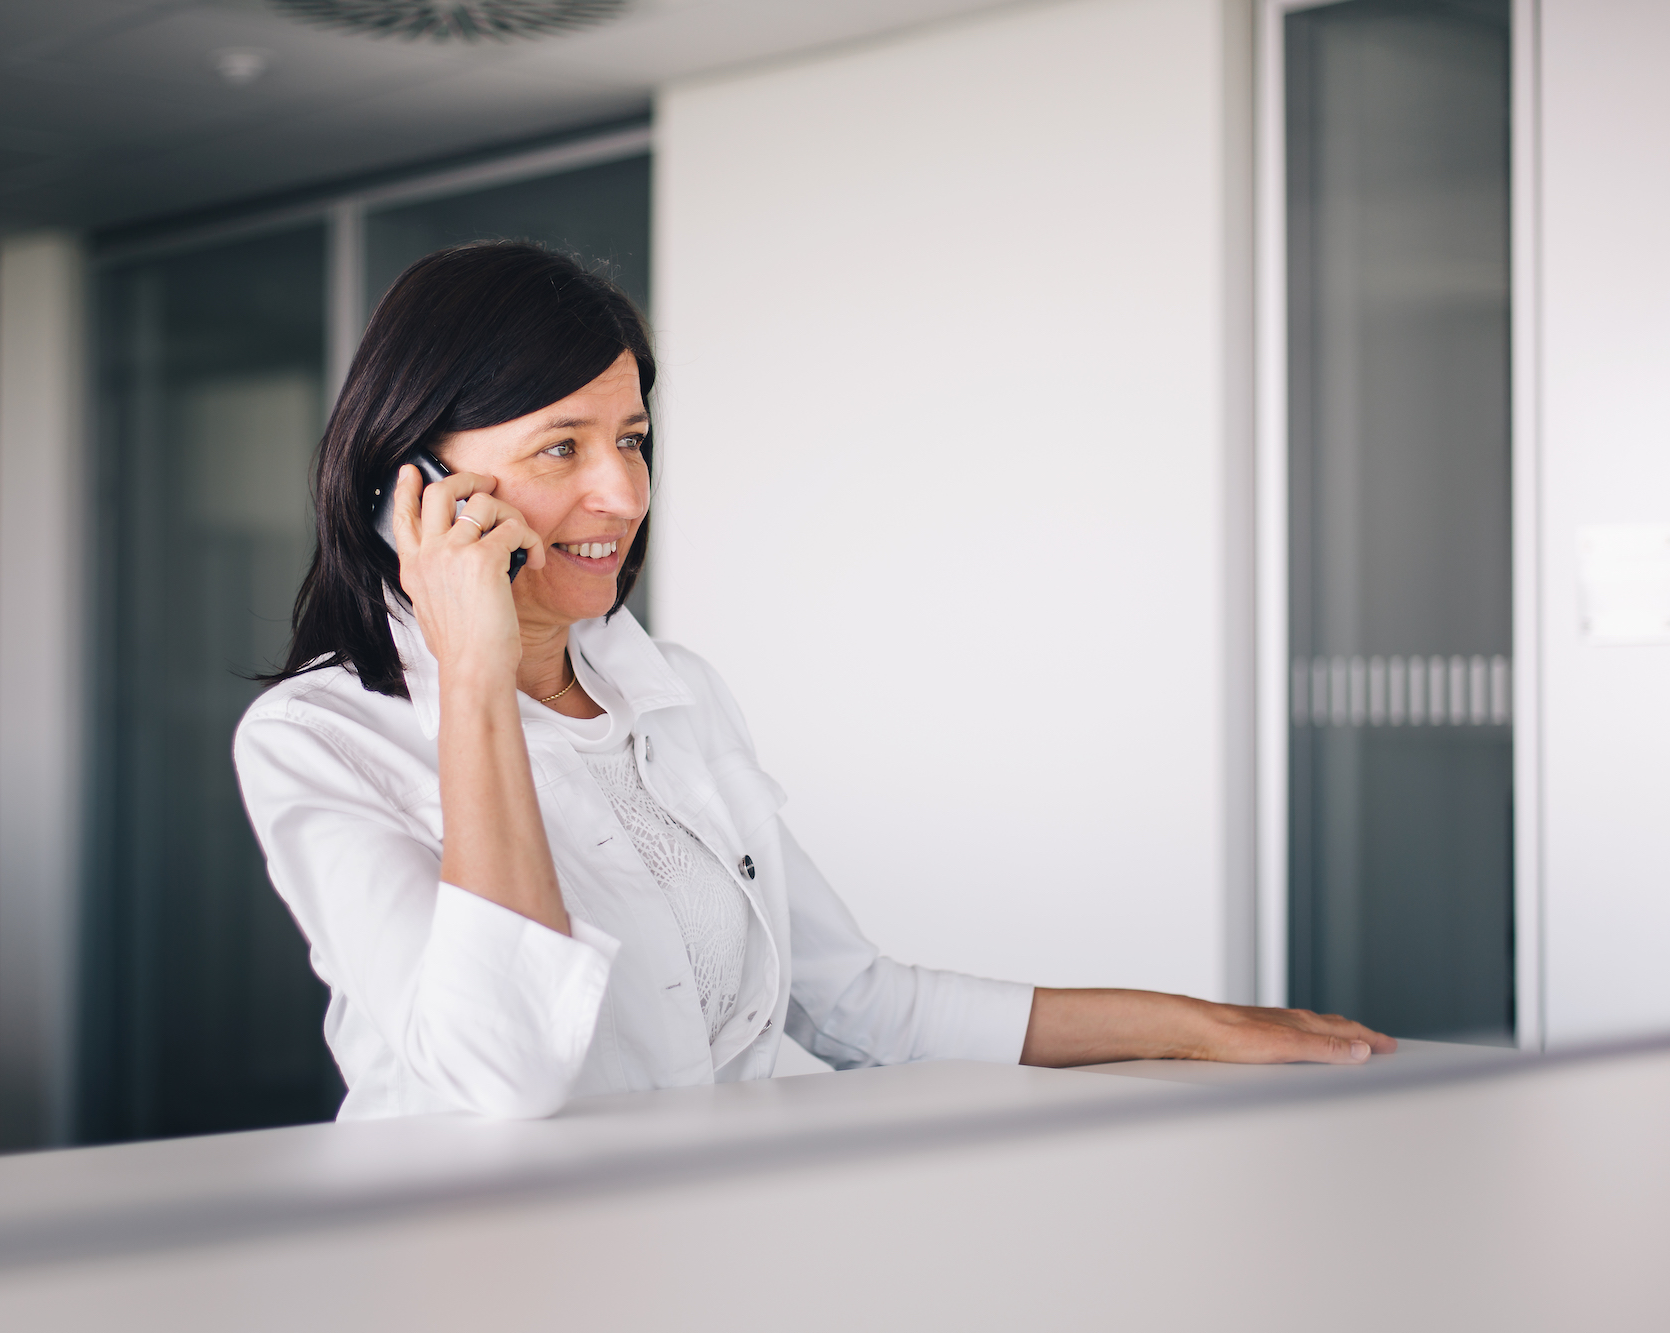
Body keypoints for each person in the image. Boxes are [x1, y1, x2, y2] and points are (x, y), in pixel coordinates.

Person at [234, 241, 1394, 1121]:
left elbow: (860, 1007)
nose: (624, 495)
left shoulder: (669, 690)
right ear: (416, 488)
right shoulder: (319, 737)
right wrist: (477, 676)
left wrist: (1199, 1027)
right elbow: (500, 1075)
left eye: (631, 439)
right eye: (561, 447)